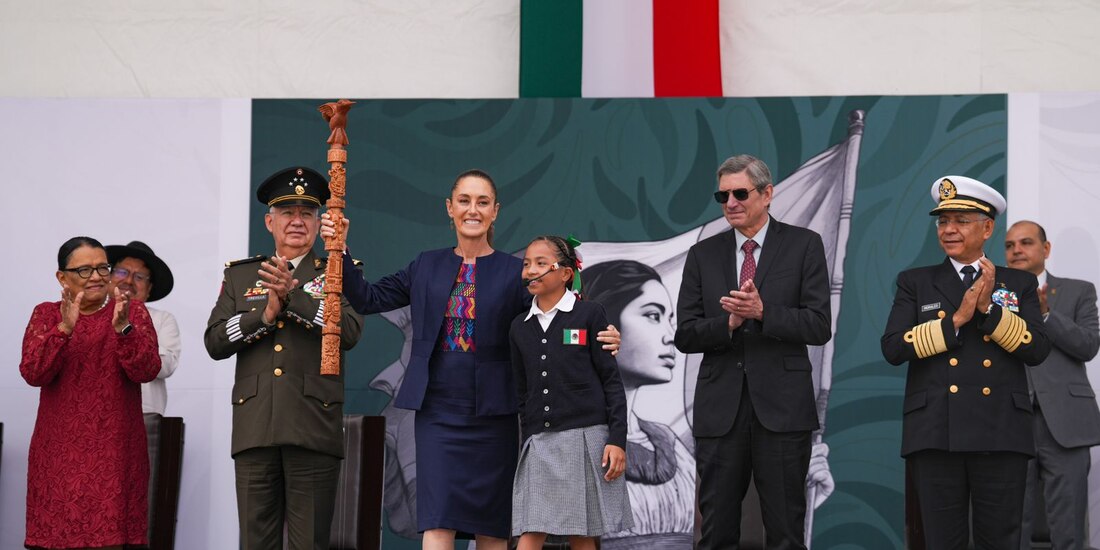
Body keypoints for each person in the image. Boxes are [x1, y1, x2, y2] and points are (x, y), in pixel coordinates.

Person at [319, 169, 619, 550]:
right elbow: (368, 299)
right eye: (464, 201)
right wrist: (340, 251)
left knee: (491, 528)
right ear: (450, 209)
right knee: (438, 521)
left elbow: (559, 320)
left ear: (496, 211)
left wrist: (601, 335)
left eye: (482, 202)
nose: (472, 210)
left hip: (494, 416)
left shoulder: (516, 272)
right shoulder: (425, 265)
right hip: (437, 414)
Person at [881, 176, 1051, 548]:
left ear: (987, 227)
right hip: (936, 431)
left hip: (1001, 432)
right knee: (941, 541)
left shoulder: (1017, 283)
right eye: (943, 221)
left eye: (961, 220)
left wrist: (989, 309)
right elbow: (893, 348)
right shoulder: (916, 281)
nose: (949, 229)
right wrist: (956, 320)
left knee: (1000, 540)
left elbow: (1037, 349)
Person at [674, 154, 832, 549]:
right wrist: (726, 325)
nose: (731, 203)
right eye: (723, 195)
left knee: (785, 531)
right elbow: (686, 334)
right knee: (716, 531)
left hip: (783, 410)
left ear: (767, 194)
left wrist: (763, 313)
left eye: (741, 193)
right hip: (720, 412)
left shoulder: (803, 245)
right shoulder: (703, 254)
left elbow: (818, 325)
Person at [204, 166, 364, 550]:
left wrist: (295, 298)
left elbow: (350, 332)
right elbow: (214, 341)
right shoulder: (243, 276)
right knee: (255, 543)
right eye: (287, 212)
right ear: (269, 221)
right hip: (255, 429)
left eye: (306, 213)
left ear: (318, 222)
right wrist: (264, 315)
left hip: (312, 426)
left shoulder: (337, 271)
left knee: (309, 542)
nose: (297, 221)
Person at [20, 236, 161, 549]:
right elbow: (33, 372)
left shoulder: (133, 313)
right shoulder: (46, 315)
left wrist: (123, 328)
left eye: (102, 268)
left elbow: (147, 370)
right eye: (85, 270)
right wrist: (63, 330)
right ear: (62, 276)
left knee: (111, 539)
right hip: (58, 456)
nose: (97, 276)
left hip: (116, 455)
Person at [510, 236, 633, 550]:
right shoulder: (519, 327)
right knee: (531, 529)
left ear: (565, 273)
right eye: (526, 264)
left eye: (541, 263)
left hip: (586, 438)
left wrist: (616, 439)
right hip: (539, 442)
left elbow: (611, 382)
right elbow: (523, 393)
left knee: (582, 531)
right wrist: (528, 438)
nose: (530, 271)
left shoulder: (590, 315)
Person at [584, 260, 695, 549]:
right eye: (653, 315)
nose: (670, 336)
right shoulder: (569, 437)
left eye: (670, 319)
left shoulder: (670, 444)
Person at [1004, 220, 1100, 549]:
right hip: (1009, 422)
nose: (1017, 250)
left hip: (1066, 423)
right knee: (1011, 525)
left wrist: (1046, 316)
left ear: (1045, 250)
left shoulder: (1079, 291)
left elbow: (1088, 345)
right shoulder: (993, 296)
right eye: (1010, 245)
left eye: (1026, 242)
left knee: (1068, 526)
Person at [106, 241, 180, 418]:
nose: (128, 280)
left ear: (149, 289)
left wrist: (127, 334)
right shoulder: (90, 314)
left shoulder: (163, 319)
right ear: (108, 277)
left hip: (142, 414)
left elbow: (166, 365)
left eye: (139, 277)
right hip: (93, 413)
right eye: (122, 272)